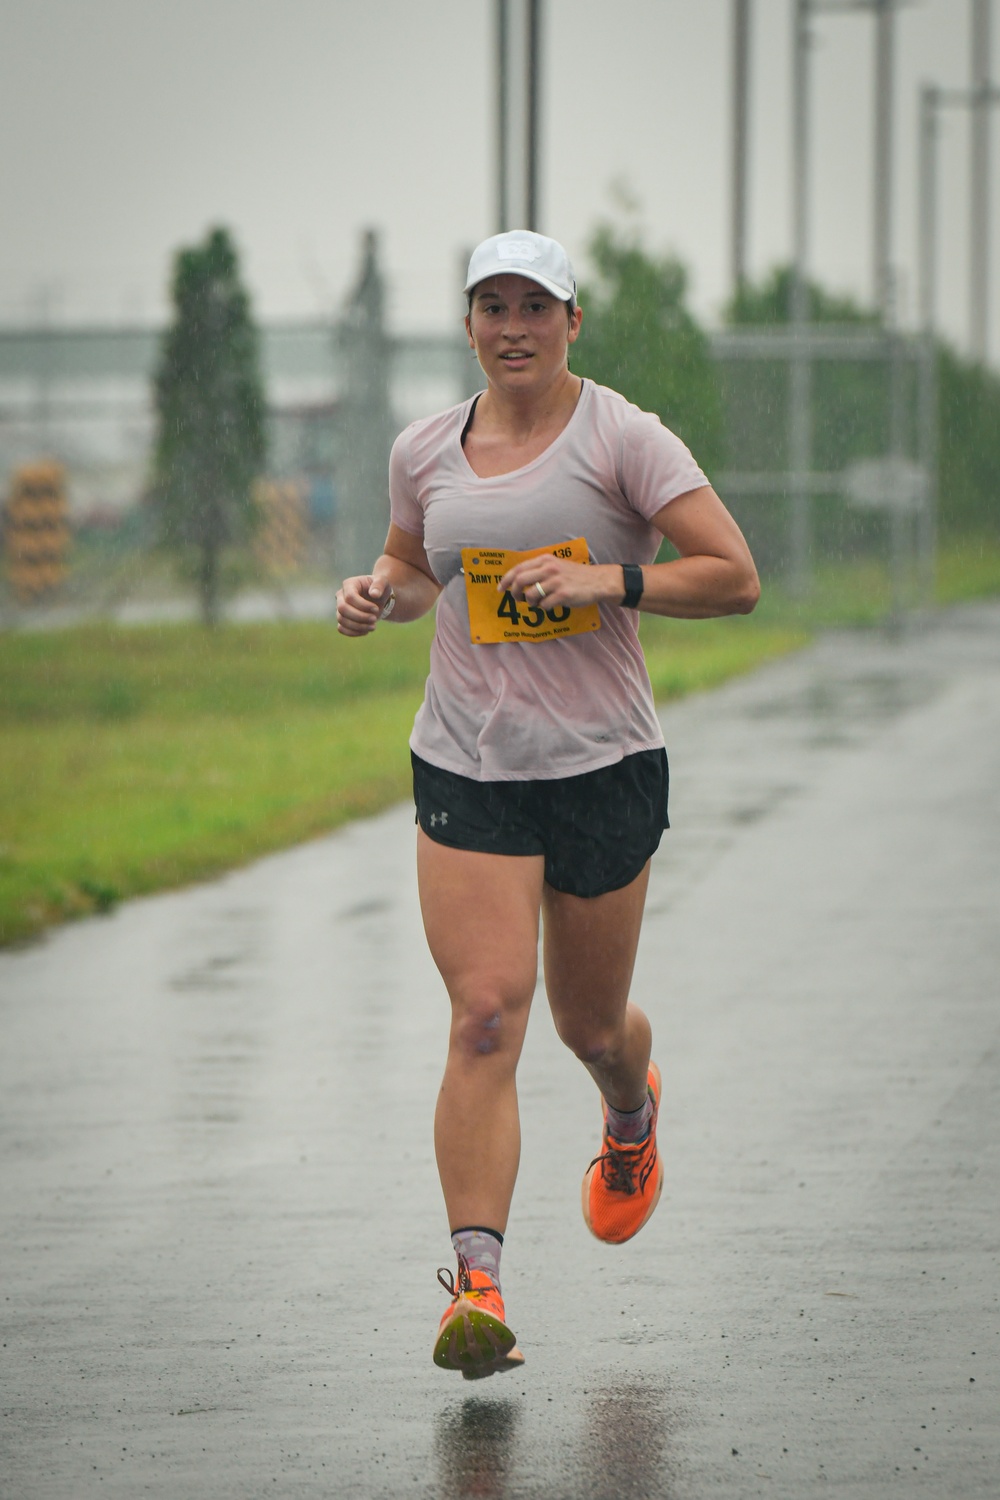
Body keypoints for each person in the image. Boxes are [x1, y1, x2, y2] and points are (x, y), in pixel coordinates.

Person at [336, 230, 759, 1380]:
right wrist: (383, 591)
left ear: (573, 322)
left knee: (586, 1027)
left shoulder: (622, 437)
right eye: (491, 306)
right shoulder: (425, 447)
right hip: (468, 765)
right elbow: (416, 563)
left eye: (535, 306)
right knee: (484, 1015)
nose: (512, 326)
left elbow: (734, 575)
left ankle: (630, 1111)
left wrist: (607, 578)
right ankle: (475, 1287)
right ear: (468, 324)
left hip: (601, 766)